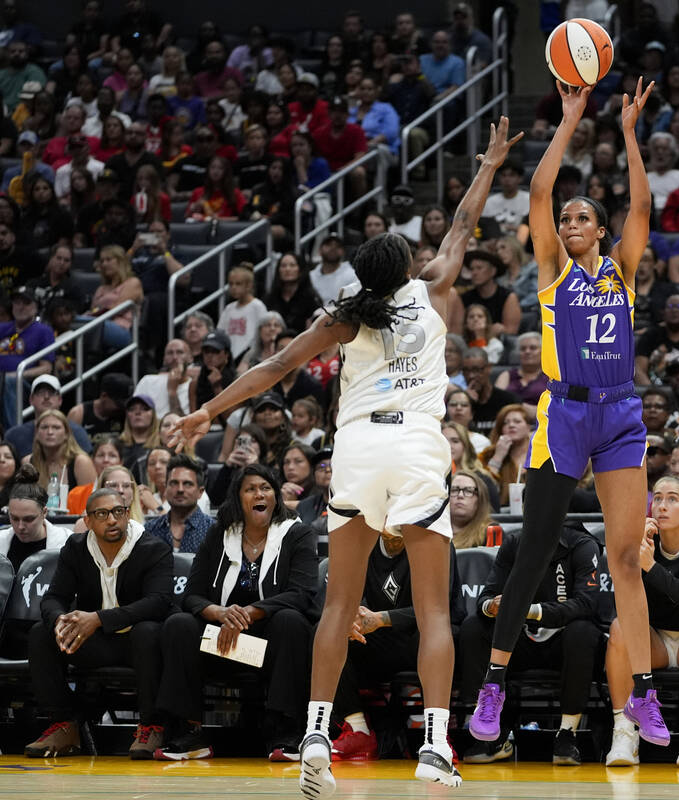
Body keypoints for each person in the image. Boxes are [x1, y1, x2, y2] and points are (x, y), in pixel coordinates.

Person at [169, 118, 522, 792]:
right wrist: (487, 164)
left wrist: (207, 412)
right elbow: (463, 223)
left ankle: (315, 735)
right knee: (437, 613)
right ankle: (436, 748)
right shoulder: (438, 287)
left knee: (337, 606)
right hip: (418, 447)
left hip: (357, 449)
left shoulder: (343, 318)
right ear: (408, 269)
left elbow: (272, 368)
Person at [466, 81, 673, 754]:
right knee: (532, 552)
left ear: (602, 231)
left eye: (584, 218)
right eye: (568, 219)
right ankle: (493, 683)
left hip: (620, 415)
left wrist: (631, 135)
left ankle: (643, 694)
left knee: (623, 560)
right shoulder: (552, 269)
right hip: (563, 413)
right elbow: (537, 194)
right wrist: (571, 117)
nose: (570, 224)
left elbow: (642, 203)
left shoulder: (623, 271)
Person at [152, 465, 318, 762]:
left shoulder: (297, 534)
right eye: (251, 488)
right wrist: (218, 613)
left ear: (276, 497)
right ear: (238, 498)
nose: (259, 494)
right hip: (225, 644)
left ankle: (287, 731)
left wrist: (251, 613)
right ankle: (188, 731)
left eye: (266, 488)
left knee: (290, 620)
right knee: (179, 624)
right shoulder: (220, 535)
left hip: (272, 647)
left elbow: (302, 593)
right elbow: (192, 595)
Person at [23, 488, 172, 760]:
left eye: (118, 512)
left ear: (128, 514)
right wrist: (61, 620)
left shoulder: (153, 549)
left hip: (140, 644)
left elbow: (158, 602)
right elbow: (54, 597)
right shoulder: (76, 548)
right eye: (102, 514)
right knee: (41, 634)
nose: (112, 520)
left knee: (148, 631)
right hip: (96, 642)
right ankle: (65, 725)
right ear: (88, 521)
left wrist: (99, 619)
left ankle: (151, 726)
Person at [604, 475, 679, 767]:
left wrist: (653, 568)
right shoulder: (641, 540)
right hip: (654, 643)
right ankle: (624, 733)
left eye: (672, 499)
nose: (662, 505)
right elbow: (622, 601)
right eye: (657, 498)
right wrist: (633, 556)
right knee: (620, 627)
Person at [459, 520, 601, 765]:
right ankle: (487, 728)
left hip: (562, 640)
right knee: (474, 627)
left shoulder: (583, 544)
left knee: (583, 631)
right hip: (518, 641)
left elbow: (587, 604)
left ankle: (567, 734)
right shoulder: (514, 542)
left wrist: (533, 611)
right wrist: (491, 607)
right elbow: (486, 596)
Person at [328, 527, 465, 763]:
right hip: (378, 639)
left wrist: (382, 619)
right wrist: (352, 618)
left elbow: (439, 608)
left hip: (421, 634)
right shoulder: (363, 543)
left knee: (434, 635)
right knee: (330, 633)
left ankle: (438, 736)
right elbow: (348, 595)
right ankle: (358, 729)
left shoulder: (435, 541)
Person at [0, 285, 55, 426]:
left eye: (26, 303)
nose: (20, 307)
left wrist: (15, 375)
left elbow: (46, 368)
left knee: (9, 383)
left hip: (23, 384)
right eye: (17, 303)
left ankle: (12, 434)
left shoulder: (44, 331)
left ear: (36, 306)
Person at [0, 465, 71, 571]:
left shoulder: (66, 542)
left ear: (44, 513)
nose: (20, 526)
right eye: (14, 518)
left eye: (29, 519)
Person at [142, 455, 213, 554]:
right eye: (174, 483)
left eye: (187, 484)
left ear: (200, 492)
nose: (180, 489)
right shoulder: (149, 530)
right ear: (165, 489)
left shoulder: (214, 531)